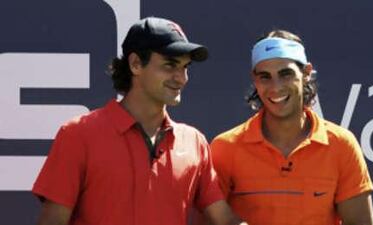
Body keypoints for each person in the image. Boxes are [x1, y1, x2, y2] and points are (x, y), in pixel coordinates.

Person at [32, 17, 247, 225]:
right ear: (135, 64)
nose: (181, 78)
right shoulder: (78, 134)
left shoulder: (194, 143)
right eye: (170, 65)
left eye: (185, 67)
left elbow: (224, 219)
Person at [210, 30, 373, 225]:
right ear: (254, 79)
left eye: (285, 74)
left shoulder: (341, 144)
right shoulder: (225, 147)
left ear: (306, 73)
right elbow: (209, 220)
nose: (276, 87)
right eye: (265, 76)